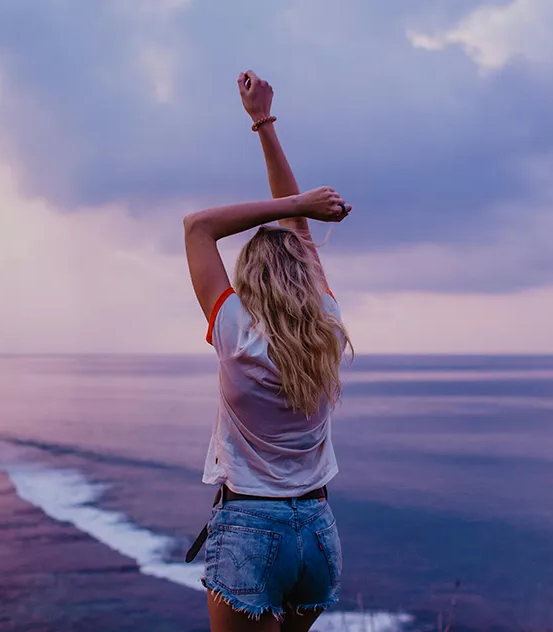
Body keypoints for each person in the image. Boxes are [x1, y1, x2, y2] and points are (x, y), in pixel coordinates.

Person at [182, 70, 354, 632]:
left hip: (251, 530)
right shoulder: (327, 324)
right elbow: (296, 227)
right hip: (318, 532)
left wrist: (299, 200)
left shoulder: (234, 331)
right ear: (306, 274)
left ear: (249, 280)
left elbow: (198, 226)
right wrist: (264, 124)